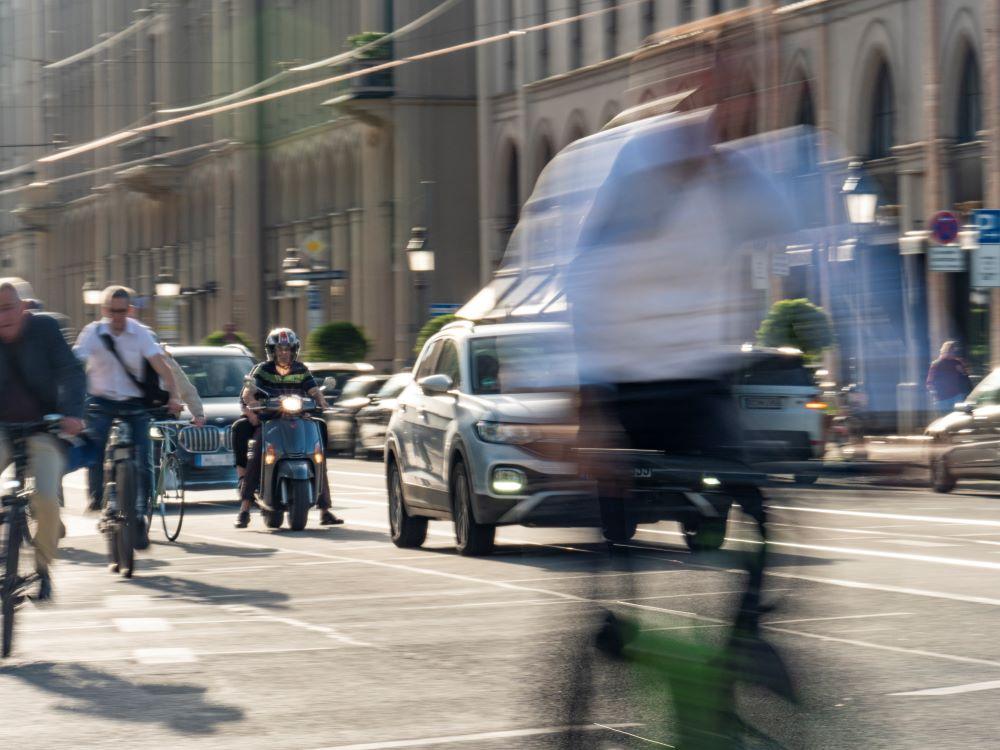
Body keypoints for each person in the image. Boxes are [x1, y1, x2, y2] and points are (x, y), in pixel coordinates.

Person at [74, 286, 183, 549]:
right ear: (104, 310)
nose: (117, 317)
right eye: (112, 312)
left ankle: (140, 514)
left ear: (130, 310)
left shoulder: (140, 333)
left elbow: (162, 367)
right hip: (101, 401)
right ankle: (99, 499)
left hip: (134, 403)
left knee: (145, 459)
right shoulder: (93, 333)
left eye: (122, 311)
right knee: (95, 448)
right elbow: (75, 361)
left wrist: (174, 397)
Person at [0, 278, 86, 601]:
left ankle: (42, 566)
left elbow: (72, 372)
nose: (2, 316)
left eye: (8, 308)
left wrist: (73, 413)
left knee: (47, 499)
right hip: (3, 428)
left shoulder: (45, 330)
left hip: (43, 427)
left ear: (23, 309)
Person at [234, 327, 343, 528]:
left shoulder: (301, 369)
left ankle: (325, 509)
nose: (284, 352)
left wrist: (321, 399)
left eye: (288, 349)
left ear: (294, 350)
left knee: (318, 450)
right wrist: (253, 406)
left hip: (298, 419)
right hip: (270, 421)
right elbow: (248, 393)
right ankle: (245, 507)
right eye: (280, 349)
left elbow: (313, 389)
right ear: (272, 351)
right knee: (258, 451)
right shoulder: (262, 370)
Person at [926, 340, 973, 415]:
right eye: (951, 351)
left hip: (956, 397)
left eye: (954, 351)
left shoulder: (957, 362)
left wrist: (962, 372)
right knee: (946, 421)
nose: (953, 353)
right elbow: (929, 382)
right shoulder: (936, 364)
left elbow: (966, 377)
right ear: (945, 351)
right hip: (943, 399)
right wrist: (935, 395)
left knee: (957, 420)